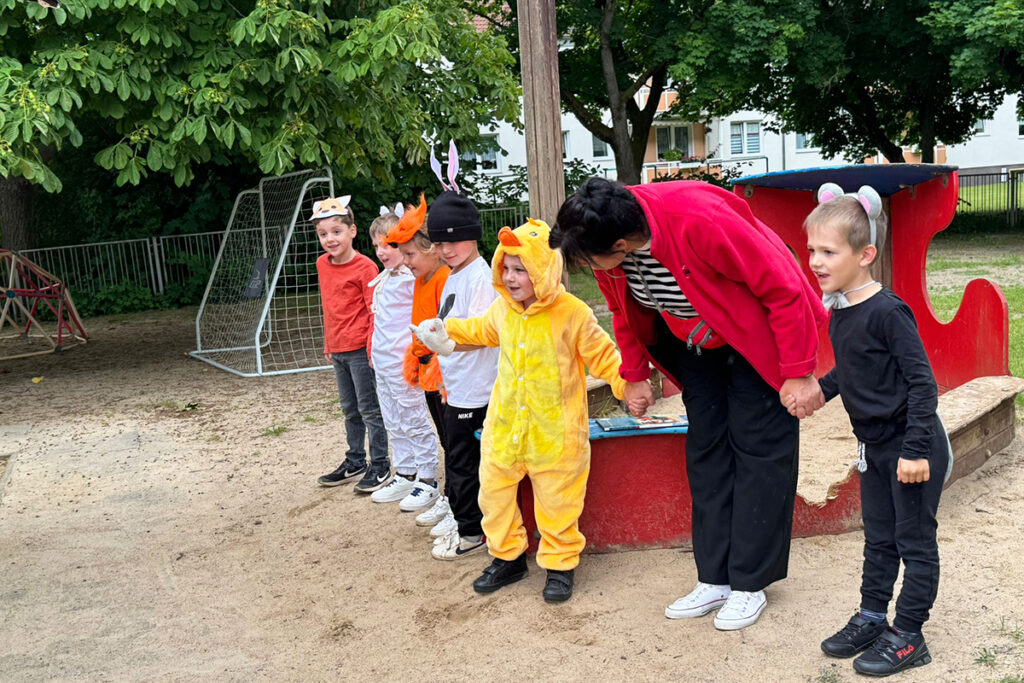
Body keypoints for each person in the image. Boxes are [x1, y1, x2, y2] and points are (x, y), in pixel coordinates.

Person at [549, 177, 826, 630]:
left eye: (584, 261)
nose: (582, 268)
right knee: (707, 454)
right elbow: (623, 311)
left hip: (754, 338)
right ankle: (715, 577)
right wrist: (635, 376)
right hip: (695, 346)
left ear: (621, 244)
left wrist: (798, 369)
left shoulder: (699, 219)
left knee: (759, 454)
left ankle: (750, 582)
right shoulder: (606, 241)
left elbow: (782, 287)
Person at [412, 219, 626, 602]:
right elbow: (477, 331)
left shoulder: (572, 313)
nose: (510, 278)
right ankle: (507, 557)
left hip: (555, 433)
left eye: (520, 269)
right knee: (493, 496)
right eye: (506, 268)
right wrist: (445, 335)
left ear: (544, 269)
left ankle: (560, 565)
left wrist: (629, 384)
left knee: (558, 502)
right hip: (505, 428)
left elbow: (604, 355)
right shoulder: (503, 311)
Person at [800, 183, 945, 676]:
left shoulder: (888, 311)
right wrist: (822, 390)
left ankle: (909, 634)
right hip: (874, 448)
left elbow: (923, 384)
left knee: (914, 540)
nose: (816, 261)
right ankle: (871, 617)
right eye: (812, 251)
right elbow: (853, 369)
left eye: (828, 251)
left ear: (865, 254)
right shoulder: (842, 310)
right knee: (878, 537)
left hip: (912, 448)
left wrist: (916, 450)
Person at [424, 188, 499, 561]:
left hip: (478, 388)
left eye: (453, 239)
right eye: (439, 242)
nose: (446, 249)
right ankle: (465, 519)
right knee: (457, 458)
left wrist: (445, 345)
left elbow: (485, 335)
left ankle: (472, 531)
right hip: (457, 384)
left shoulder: (481, 278)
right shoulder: (454, 274)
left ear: (473, 234)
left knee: (465, 463)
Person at [383, 197, 454, 535]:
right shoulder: (421, 278)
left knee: (455, 440)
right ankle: (450, 496)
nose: (405, 261)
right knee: (445, 437)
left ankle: (458, 501)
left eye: (410, 254)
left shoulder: (442, 277)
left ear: (432, 249)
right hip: (425, 369)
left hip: (442, 373)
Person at [310, 196, 391, 494]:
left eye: (336, 231)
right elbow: (329, 307)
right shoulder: (322, 264)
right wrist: (328, 342)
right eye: (323, 234)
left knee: (370, 409)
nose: (330, 239)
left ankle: (380, 463)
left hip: (360, 350)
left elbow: (374, 312)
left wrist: (371, 350)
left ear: (352, 231)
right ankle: (355, 459)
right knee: (349, 409)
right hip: (338, 349)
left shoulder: (366, 267)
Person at [363, 205, 441, 513]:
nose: (382, 251)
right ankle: (406, 471)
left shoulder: (411, 278)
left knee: (412, 417)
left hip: (403, 363)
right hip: (382, 363)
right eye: (377, 245)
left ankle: (427, 477)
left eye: (390, 245)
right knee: (392, 419)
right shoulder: (387, 278)